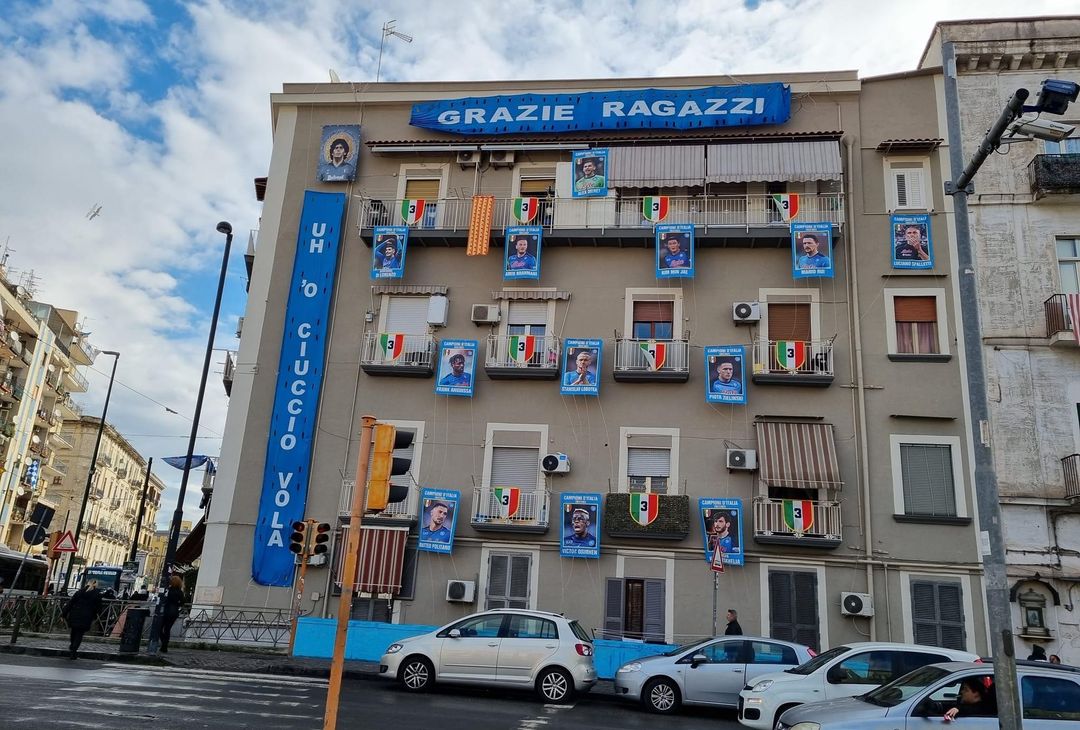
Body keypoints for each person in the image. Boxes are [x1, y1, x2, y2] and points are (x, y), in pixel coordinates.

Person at [62, 579, 103, 659]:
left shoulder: (79, 592)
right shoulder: (97, 594)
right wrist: (95, 616)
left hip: (75, 614)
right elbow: (99, 608)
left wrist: (64, 614)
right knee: (79, 634)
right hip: (87, 616)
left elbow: (70, 603)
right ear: (96, 585)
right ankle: (74, 649)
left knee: (74, 631)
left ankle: (72, 645)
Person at [159, 575, 185, 653]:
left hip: (166, 611)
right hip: (174, 612)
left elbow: (163, 599)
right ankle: (165, 646)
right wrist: (177, 604)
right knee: (167, 629)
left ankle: (164, 642)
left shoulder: (168, 590)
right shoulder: (180, 592)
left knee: (159, 627)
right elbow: (183, 601)